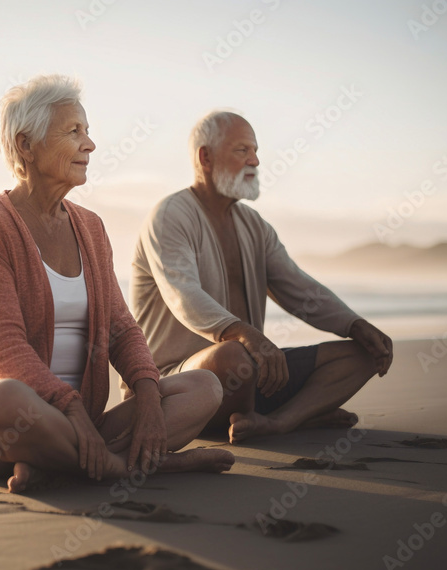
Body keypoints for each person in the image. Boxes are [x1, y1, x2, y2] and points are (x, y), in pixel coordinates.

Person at [0, 76, 235, 493]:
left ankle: (61, 464)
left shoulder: (91, 228)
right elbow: (3, 347)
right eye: (73, 132)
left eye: (88, 131)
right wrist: (70, 407)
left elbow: (122, 328)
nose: (90, 144)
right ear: (25, 145)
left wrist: (147, 397)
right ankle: (134, 467)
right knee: (2, 400)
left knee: (204, 387)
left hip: (80, 426)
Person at [129, 111, 393, 444]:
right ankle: (287, 413)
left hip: (248, 379)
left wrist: (355, 325)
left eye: (255, 150)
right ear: (205, 157)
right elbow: (182, 293)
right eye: (242, 150)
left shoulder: (254, 226)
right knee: (234, 354)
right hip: (174, 383)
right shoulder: (171, 215)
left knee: (365, 353)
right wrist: (246, 335)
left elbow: (299, 288)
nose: (255, 160)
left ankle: (280, 422)